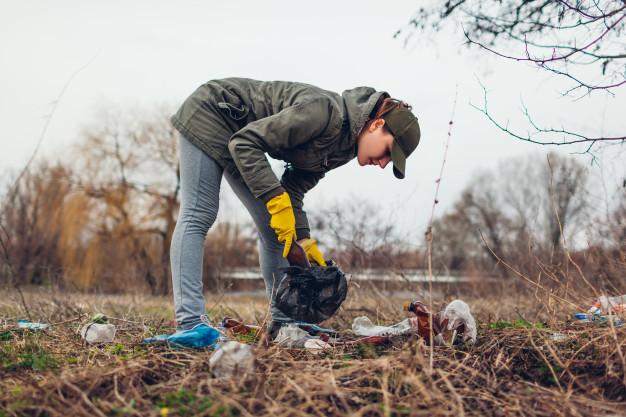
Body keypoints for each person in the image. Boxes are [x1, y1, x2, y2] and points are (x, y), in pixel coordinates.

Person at [168, 77, 421, 344]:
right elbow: (244, 144)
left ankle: (285, 322)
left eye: (389, 161)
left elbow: (293, 192)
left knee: (274, 227)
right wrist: (276, 201)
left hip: (238, 135)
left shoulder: (342, 148)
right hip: (211, 111)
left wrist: (302, 239)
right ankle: (190, 322)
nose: (382, 163)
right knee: (200, 212)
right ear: (377, 124)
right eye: (387, 152)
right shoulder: (323, 113)